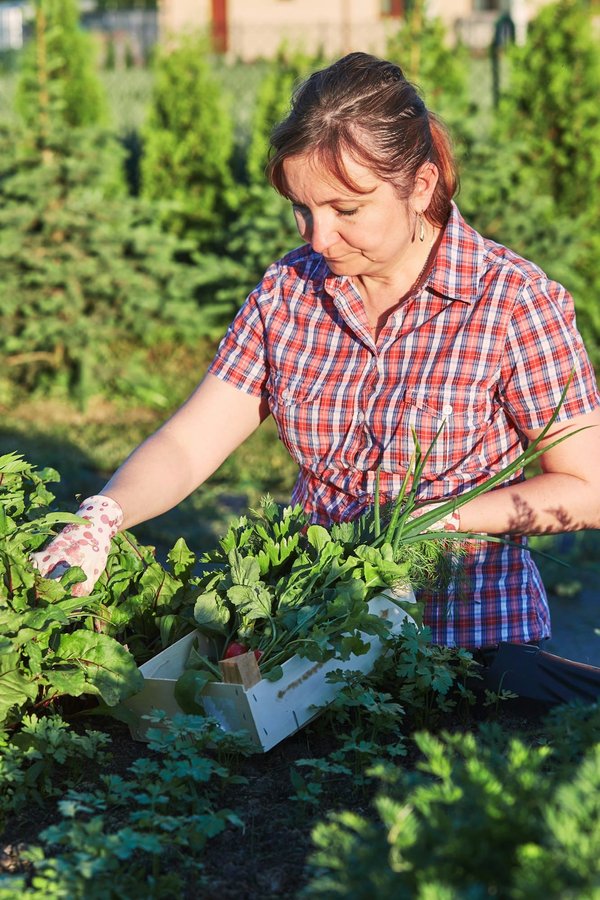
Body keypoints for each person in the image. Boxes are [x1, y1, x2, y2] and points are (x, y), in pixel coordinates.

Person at [33, 52, 600, 660]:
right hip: (314, 638)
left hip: (468, 645)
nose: (319, 237)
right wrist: (102, 517)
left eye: (346, 210)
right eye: (302, 208)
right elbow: (189, 443)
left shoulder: (512, 302)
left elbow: (587, 488)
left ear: (420, 186)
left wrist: (439, 521)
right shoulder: (289, 291)